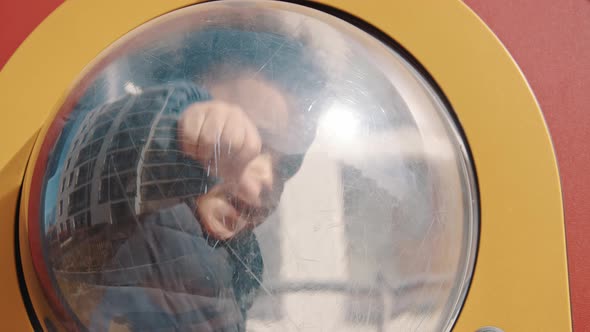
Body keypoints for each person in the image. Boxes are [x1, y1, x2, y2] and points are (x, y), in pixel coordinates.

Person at [82, 27, 325, 331]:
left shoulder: (239, 262)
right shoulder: (141, 210)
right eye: (251, 138)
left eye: (285, 168)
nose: (269, 180)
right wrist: (175, 126)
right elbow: (114, 143)